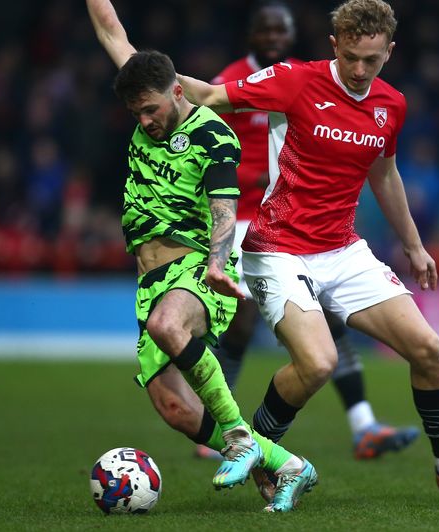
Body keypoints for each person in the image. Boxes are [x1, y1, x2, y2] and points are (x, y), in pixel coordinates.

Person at [177, 0, 439, 501]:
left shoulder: (391, 105)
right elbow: (207, 94)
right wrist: (146, 69)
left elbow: (384, 173)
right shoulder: (295, 80)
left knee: (427, 349)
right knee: (317, 363)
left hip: (342, 248)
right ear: (335, 45)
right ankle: (262, 452)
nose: (360, 70)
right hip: (278, 248)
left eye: (373, 60)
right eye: (352, 57)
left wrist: (414, 245)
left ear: (389, 52)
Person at [84, 0, 317, 512]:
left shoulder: (213, 133)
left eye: (152, 110)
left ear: (177, 91)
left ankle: (240, 439)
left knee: (171, 327)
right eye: (136, 114)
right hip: (150, 279)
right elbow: (109, 28)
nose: (145, 121)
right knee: (173, 407)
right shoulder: (146, 95)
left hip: (199, 264)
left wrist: (215, 262)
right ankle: (286, 465)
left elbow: (224, 207)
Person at [195, 0, 419, 462]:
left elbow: (383, 170)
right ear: (252, 35)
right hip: (243, 219)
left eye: (283, 30)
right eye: (266, 30)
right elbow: (207, 151)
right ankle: (221, 429)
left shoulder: (305, 79)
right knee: (240, 324)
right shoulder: (247, 78)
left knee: (329, 324)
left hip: (309, 232)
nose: (275, 37)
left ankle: (363, 424)